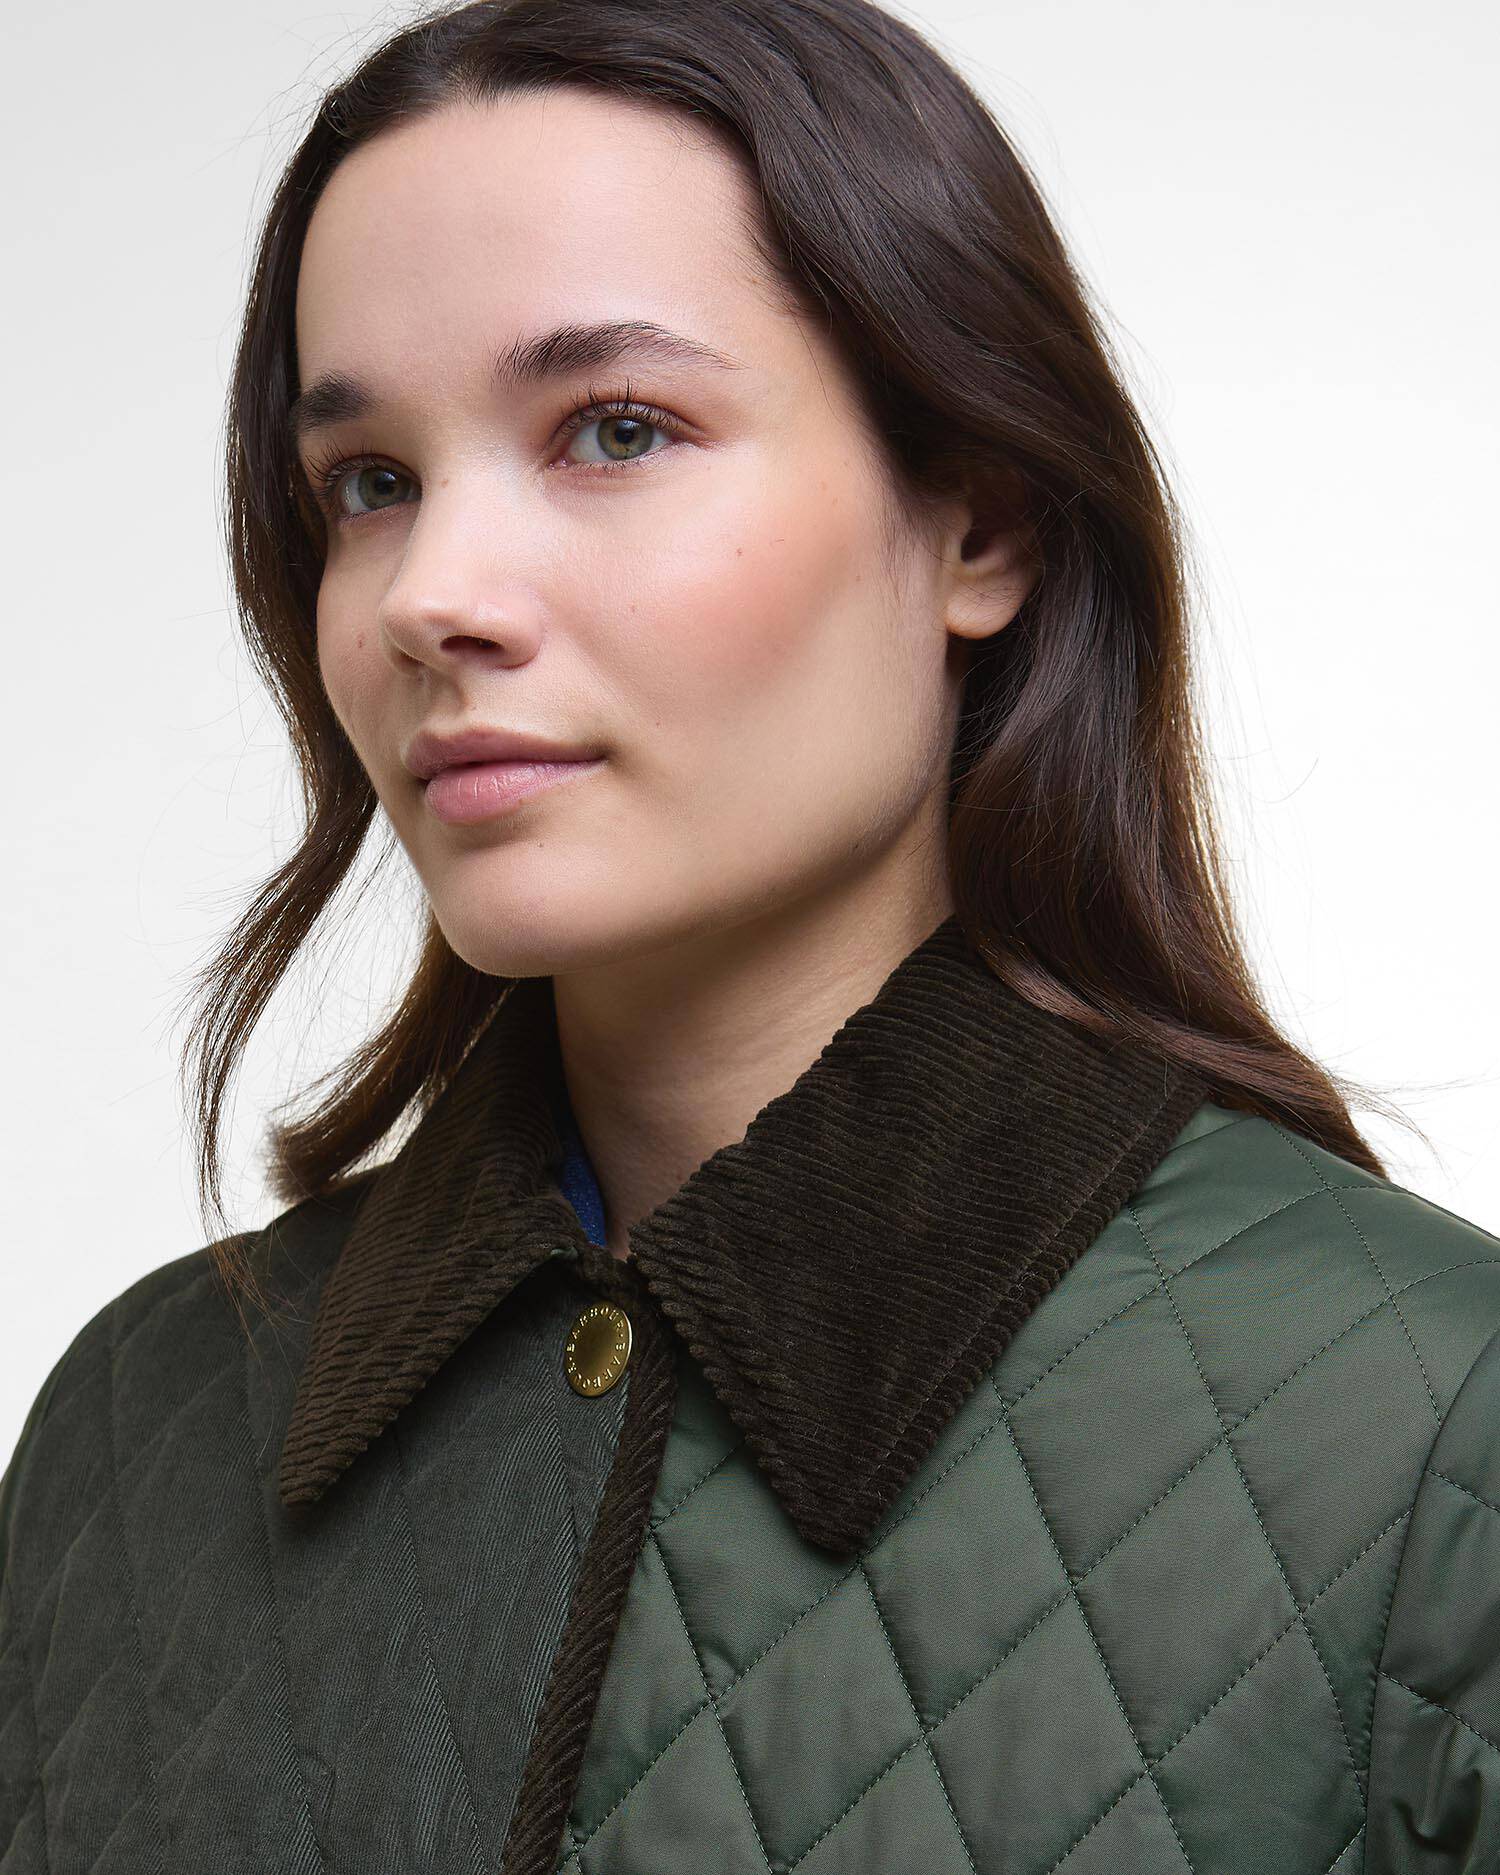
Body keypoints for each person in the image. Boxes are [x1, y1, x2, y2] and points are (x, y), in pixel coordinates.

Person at [2, 0, 1496, 1867]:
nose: (431, 597)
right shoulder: (134, 1435)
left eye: (616, 431)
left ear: (982, 522)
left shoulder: (1431, 1432)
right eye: (369, 483)